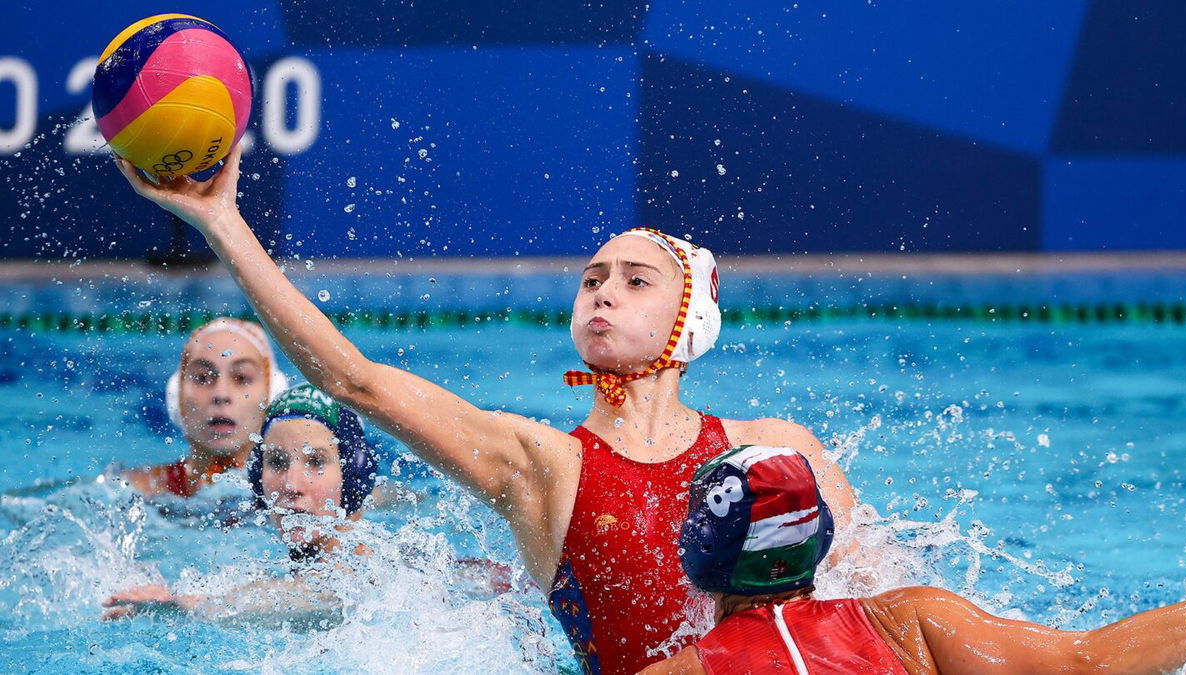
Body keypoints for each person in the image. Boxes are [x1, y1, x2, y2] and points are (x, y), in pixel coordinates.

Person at [114, 146, 862, 673]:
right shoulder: (542, 465)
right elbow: (355, 381)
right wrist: (222, 222)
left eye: (637, 281)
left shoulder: (776, 450)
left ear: (691, 319)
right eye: (593, 277)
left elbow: (870, 605)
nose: (603, 289)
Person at [639, 445, 1186, 674]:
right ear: (821, 537)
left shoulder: (680, 671)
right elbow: (1088, 661)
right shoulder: (911, 619)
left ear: (700, 549)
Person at [102, 382, 378, 620]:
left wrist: (192, 609)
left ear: (355, 477)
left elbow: (332, 599)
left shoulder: (375, 575)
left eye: (316, 461)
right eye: (277, 463)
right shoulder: (285, 577)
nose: (291, 486)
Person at [123, 317, 288, 498]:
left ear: (271, 396)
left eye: (241, 378)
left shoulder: (290, 492)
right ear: (177, 397)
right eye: (202, 378)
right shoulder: (139, 489)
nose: (221, 395)